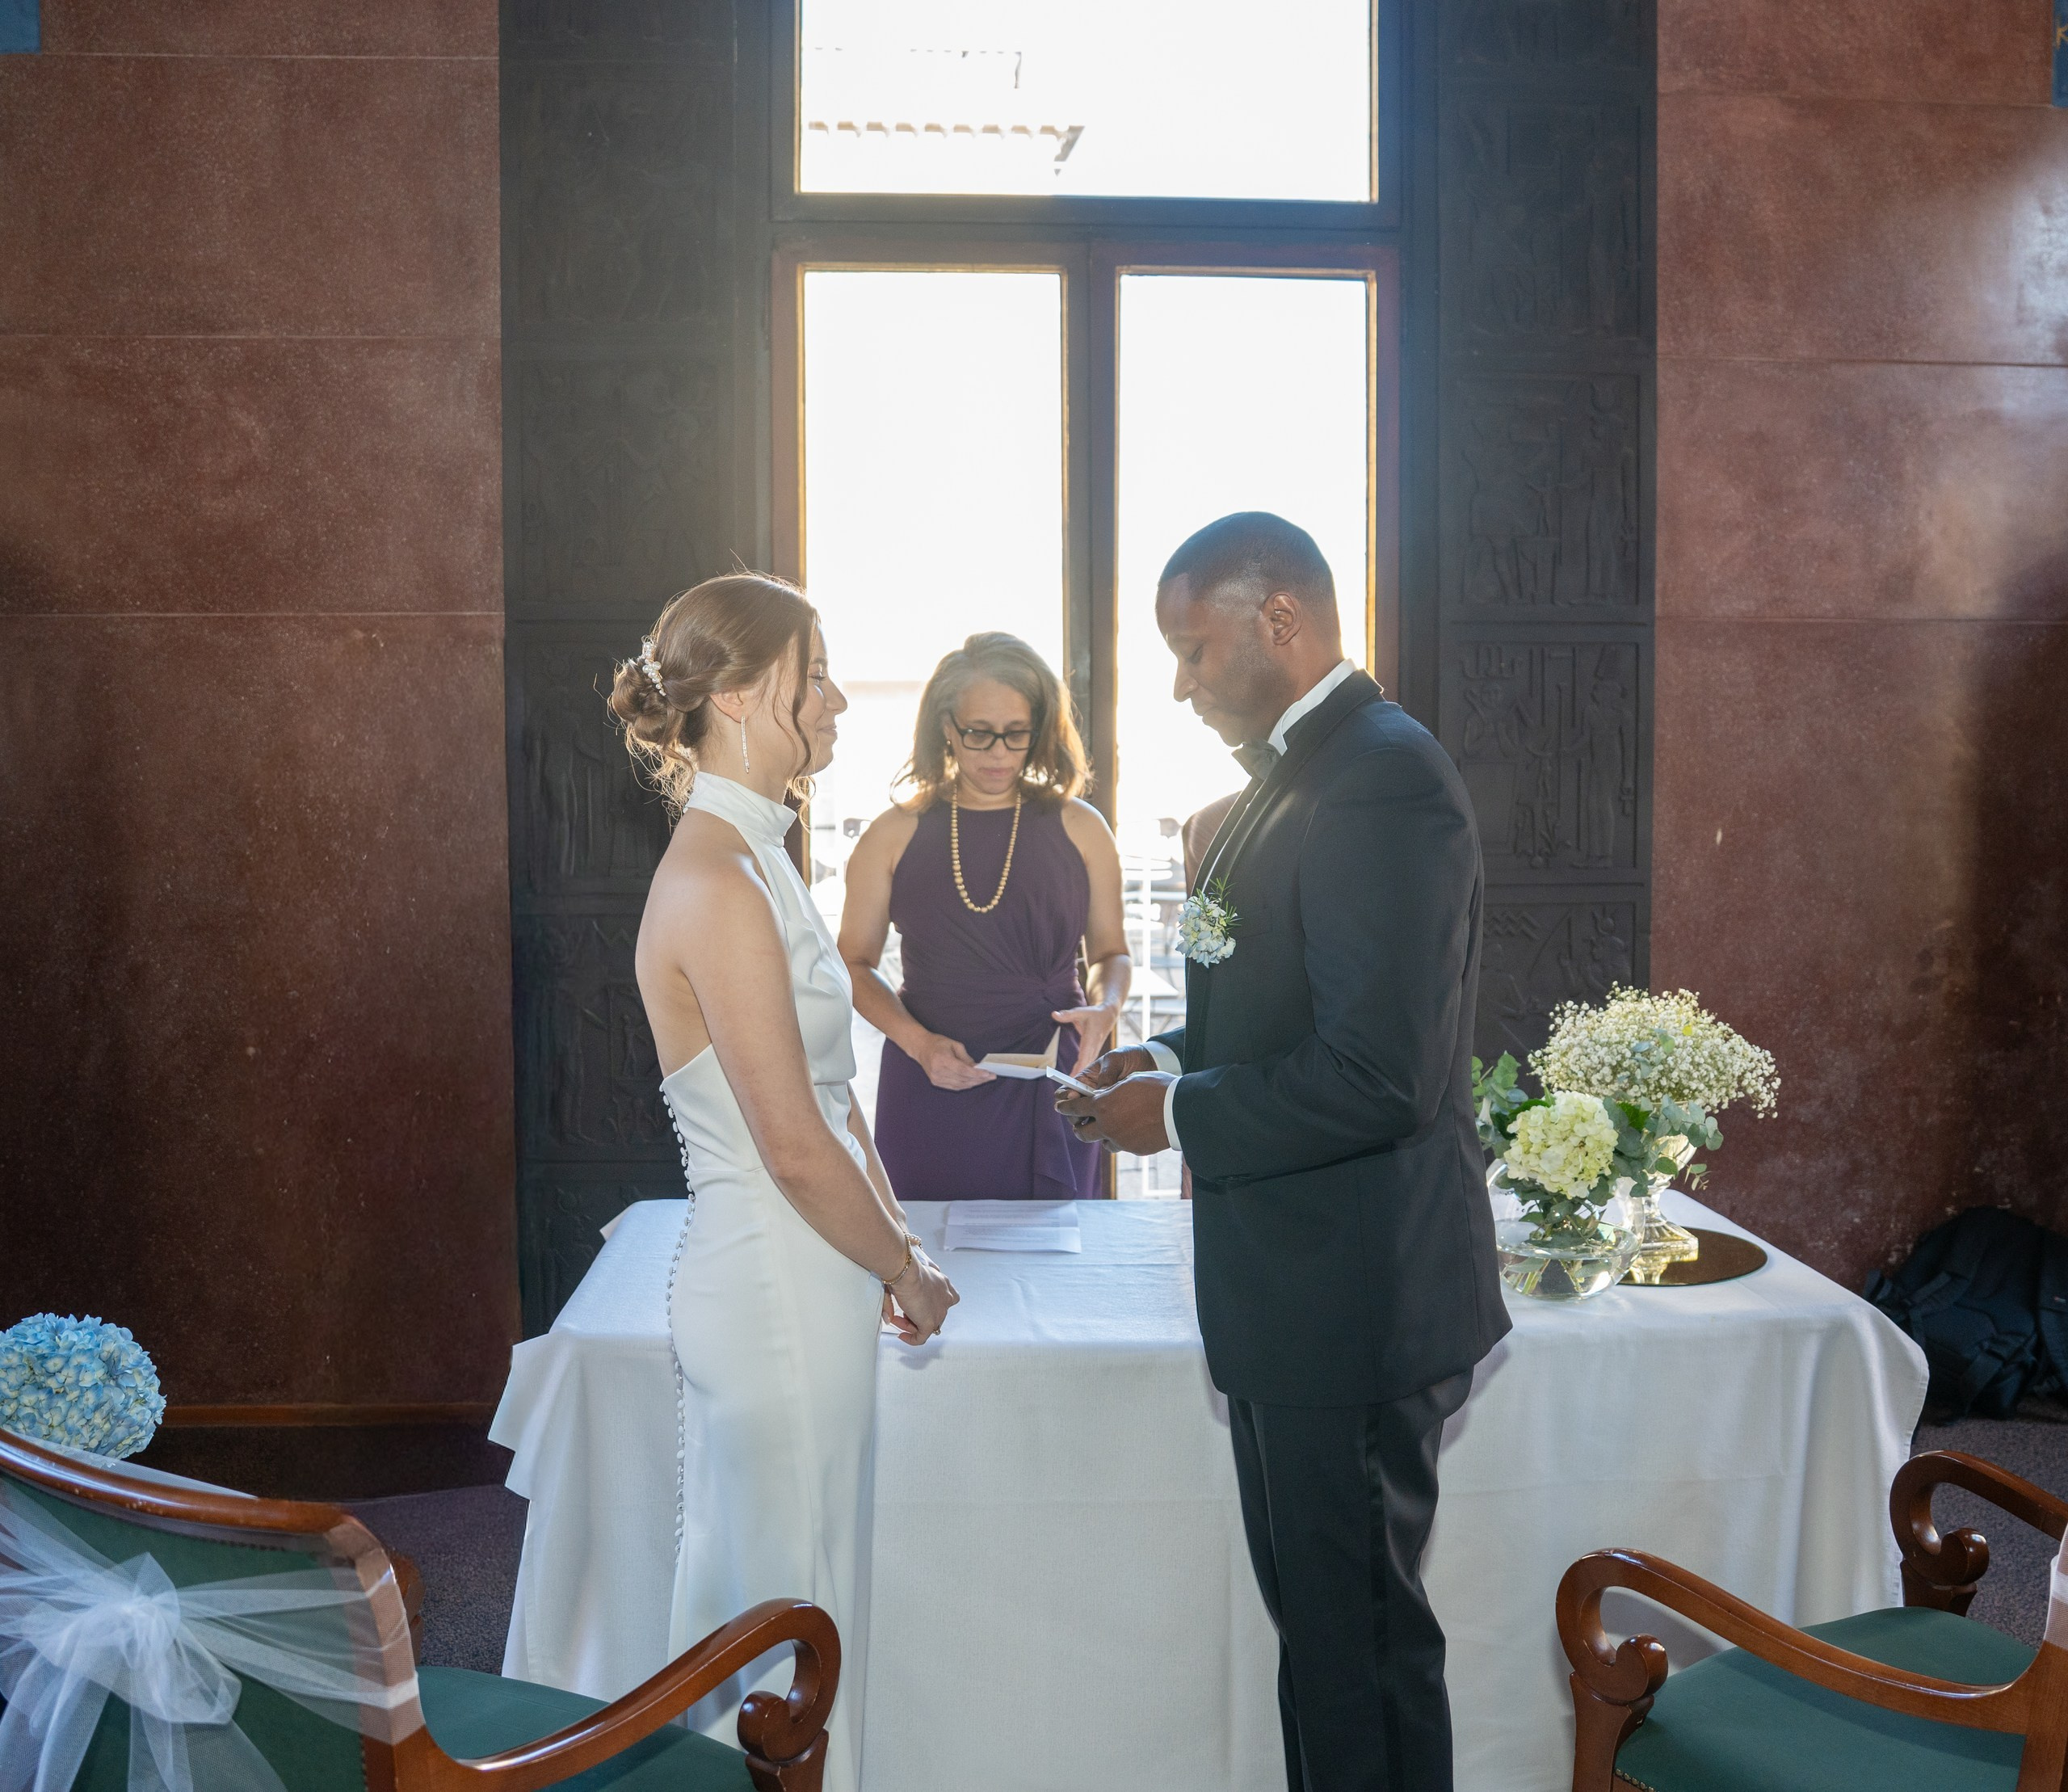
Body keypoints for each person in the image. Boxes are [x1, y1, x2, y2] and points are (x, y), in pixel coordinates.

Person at [1057, 513, 1509, 1792]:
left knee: (1361, 1653)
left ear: (1280, 620)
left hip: (1353, 1305)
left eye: (1193, 651)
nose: (1181, 684)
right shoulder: (1290, 780)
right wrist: (1163, 1056)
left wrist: (1185, 1116)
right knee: (1323, 1643)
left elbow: (1382, 1074)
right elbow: (1278, 1007)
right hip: (1292, 1299)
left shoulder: (1382, 776)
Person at [608, 573, 959, 1792]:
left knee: (804, 1591)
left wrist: (889, 1236)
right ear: (753, 696)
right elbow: (792, 1144)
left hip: (808, 1274)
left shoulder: (760, 857)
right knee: (780, 1596)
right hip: (768, 1285)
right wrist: (902, 1267)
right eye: (819, 678)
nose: (841, 698)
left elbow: (834, 1095)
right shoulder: (712, 877)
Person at [840, 632, 1129, 1200]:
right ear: (947, 727)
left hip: (1053, 1072)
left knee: (1054, 1264)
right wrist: (919, 1044)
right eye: (979, 734)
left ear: (1040, 730)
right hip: (929, 1075)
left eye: (1016, 734)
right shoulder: (891, 834)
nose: (998, 753)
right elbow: (852, 964)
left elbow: (1111, 953)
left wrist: (1106, 1007)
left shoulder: (1082, 827)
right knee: (929, 1262)